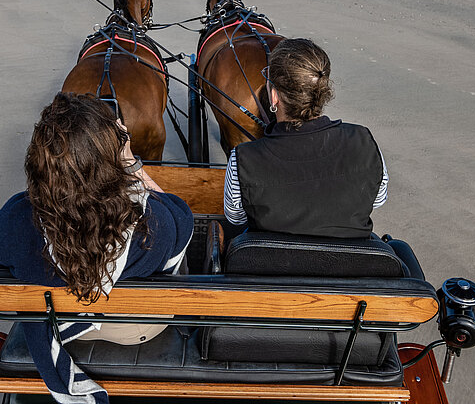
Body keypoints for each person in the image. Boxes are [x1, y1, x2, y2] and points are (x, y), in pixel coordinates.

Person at [0, 92, 194, 403]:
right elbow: (181, 213)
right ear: (111, 157)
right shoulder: (153, 223)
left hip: (58, 325)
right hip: (131, 330)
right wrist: (130, 163)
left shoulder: (17, 217)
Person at [224, 38, 388, 237]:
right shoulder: (364, 141)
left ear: (274, 97)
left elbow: (236, 217)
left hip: (271, 263)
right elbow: (377, 199)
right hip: (350, 263)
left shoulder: (242, 158)